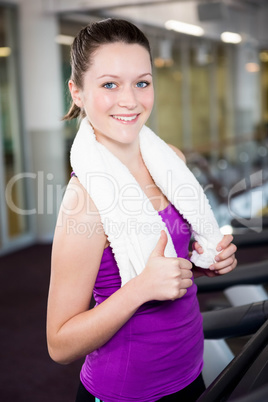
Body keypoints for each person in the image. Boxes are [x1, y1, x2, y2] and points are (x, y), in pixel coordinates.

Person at [46, 18, 237, 402]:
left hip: (190, 371)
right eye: (109, 84)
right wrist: (141, 289)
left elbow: (170, 261)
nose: (130, 100)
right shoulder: (84, 202)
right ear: (77, 92)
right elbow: (60, 344)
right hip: (126, 392)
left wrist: (204, 259)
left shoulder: (171, 161)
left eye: (142, 82)